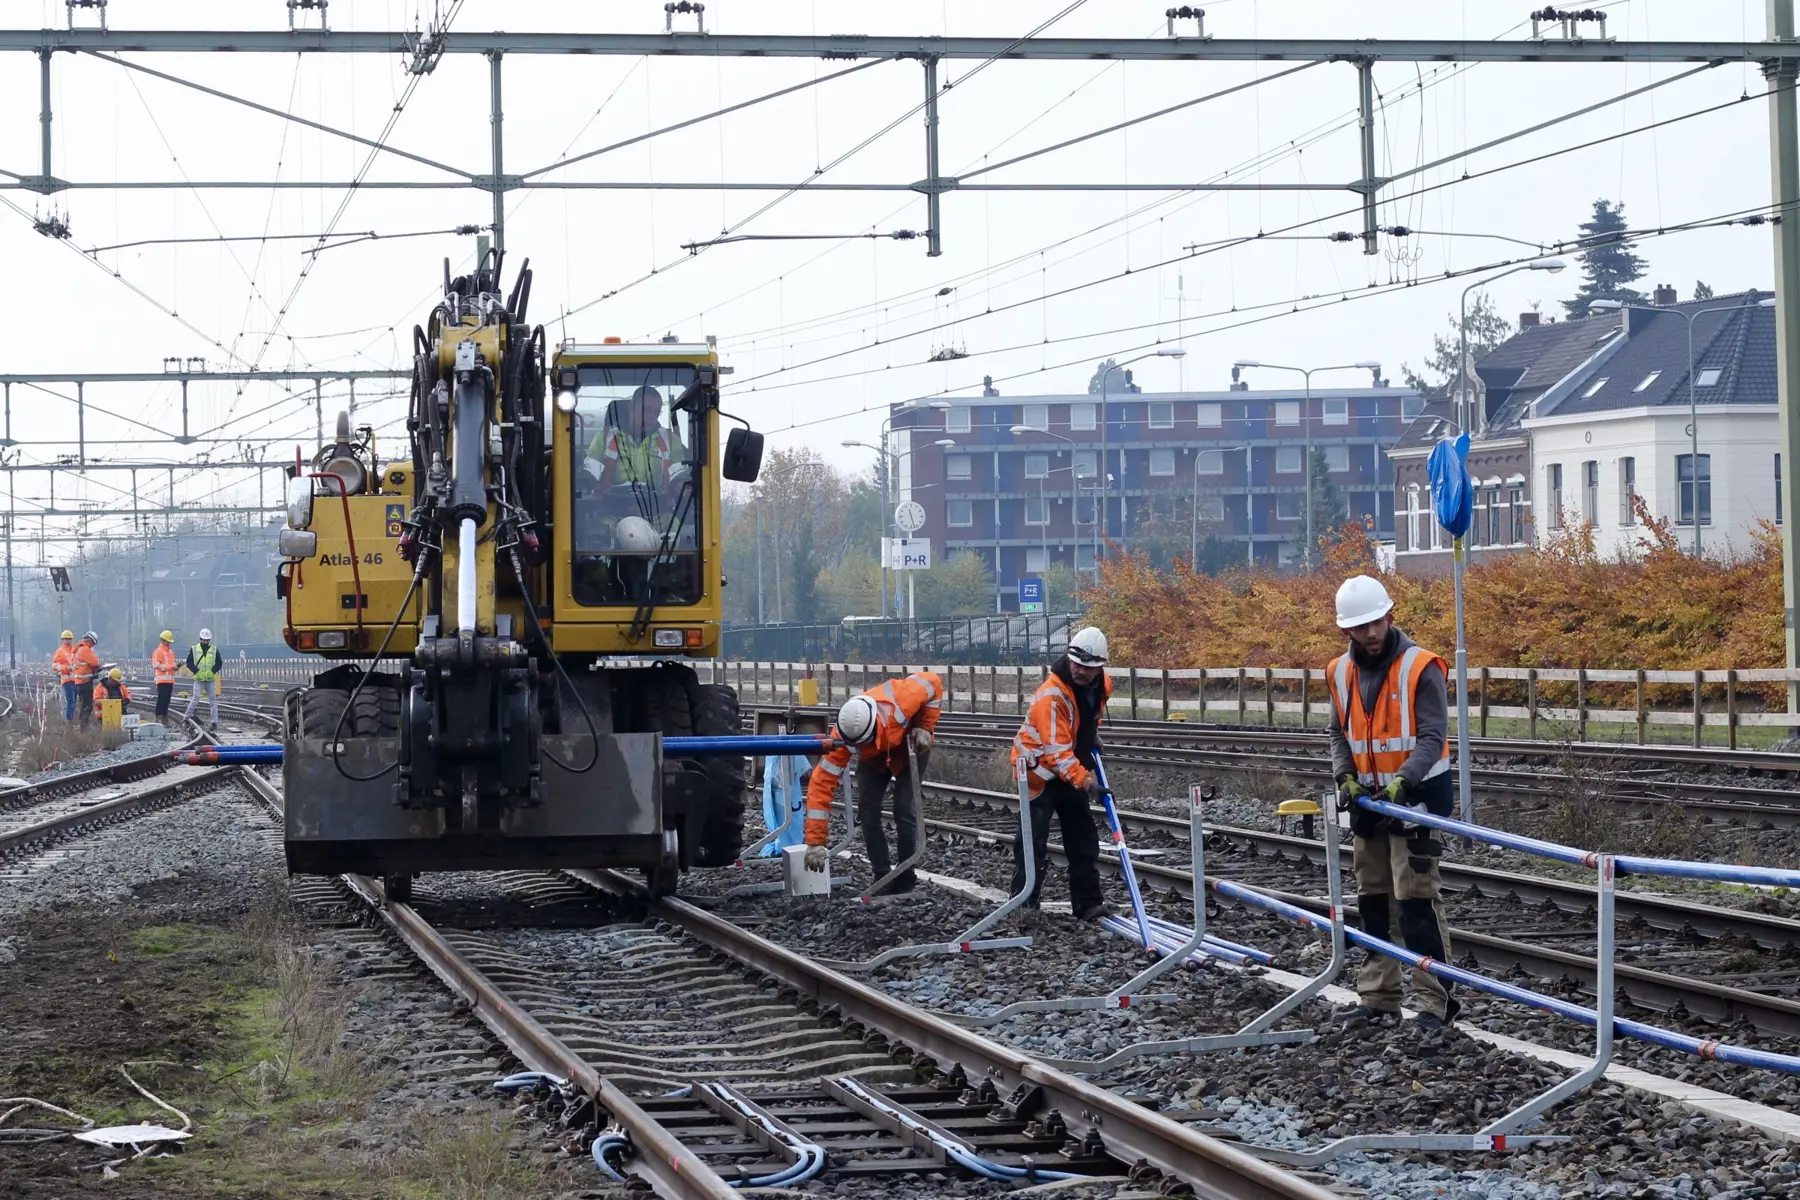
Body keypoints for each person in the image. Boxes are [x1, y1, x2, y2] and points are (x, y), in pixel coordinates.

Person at [1326, 574, 1459, 1029]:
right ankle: (1378, 995)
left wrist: (1404, 780)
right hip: (1368, 804)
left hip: (1415, 801)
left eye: (1377, 622)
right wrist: (1345, 778)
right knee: (1375, 900)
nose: (1372, 633)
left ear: (1390, 616)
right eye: (1362, 627)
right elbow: (1338, 734)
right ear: (1346, 630)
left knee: (1416, 899)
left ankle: (1434, 1002)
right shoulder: (1338, 671)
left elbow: (1432, 736)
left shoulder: (1422, 668)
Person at [801, 670, 944, 893]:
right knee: (867, 810)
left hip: (910, 749)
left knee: (904, 810)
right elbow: (821, 782)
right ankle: (882, 876)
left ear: (873, 728)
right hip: (874, 759)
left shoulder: (902, 700)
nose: (855, 749)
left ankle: (906, 875)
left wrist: (925, 726)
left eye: (860, 744)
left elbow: (933, 681)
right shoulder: (844, 735)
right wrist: (816, 842)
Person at [1009, 626, 1113, 921]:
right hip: (1038, 771)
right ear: (1069, 660)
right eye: (1078, 665)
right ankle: (1024, 905)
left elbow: (1089, 713)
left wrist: (1091, 734)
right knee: (1032, 841)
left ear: (1100, 667)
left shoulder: (1102, 684)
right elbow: (1056, 753)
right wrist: (1087, 781)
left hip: (1070, 768)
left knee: (1083, 837)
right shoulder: (1051, 695)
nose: (1081, 671)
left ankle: (1088, 903)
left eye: (1089, 667)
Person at [182, 628, 222, 730]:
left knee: (213, 701)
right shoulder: (194, 649)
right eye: (204, 640)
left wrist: (212, 671)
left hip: (210, 679)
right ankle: (186, 718)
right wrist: (196, 671)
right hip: (199, 679)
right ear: (200, 639)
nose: (205, 642)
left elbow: (219, 663)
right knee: (195, 699)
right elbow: (189, 662)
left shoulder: (214, 650)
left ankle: (214, 723)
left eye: (207, 640)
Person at [71, 632, 101, 728]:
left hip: (79, 682)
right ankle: (84, 727)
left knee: (83, 705)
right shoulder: (85, 649)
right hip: (85, 682)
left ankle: (83, 727)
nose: (92, 646)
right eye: (93, 643)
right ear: (90, 640)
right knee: (87, 706)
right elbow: (95, 662)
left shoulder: (78, 649)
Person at [151, 631, 179, 720]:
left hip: (170, 680)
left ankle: (164, 717)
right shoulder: (158, 651)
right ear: (162, 640)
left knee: (167, 700)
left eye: (169, 641)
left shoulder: (171, 652)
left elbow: (172, 665)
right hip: (162, 680)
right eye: (167, 641)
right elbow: (156, 665)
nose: (169, 643)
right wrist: (170, 667)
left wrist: (176, 667)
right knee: (161, 700)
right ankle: (159, 718)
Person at [51, 630, 77, 722]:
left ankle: (71, 721)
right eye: (65, 639)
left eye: (69, 638)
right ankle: (69, 722)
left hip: (76, 680)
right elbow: (54, 666)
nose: (67, 640)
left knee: (74, 703)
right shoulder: (60, 652)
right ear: (62, 640)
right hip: (67, 680)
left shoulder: (74, 650)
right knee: (71, 702)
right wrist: (66, 668)